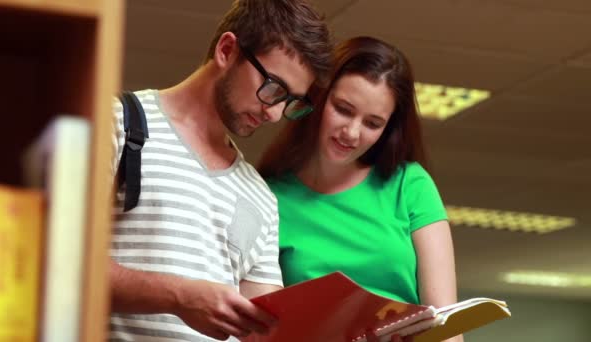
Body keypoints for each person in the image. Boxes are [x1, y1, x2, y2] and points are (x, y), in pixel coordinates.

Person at [109, 1, 332, 341]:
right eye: (273, 88)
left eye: (290, 102)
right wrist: (179, 297)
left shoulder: (261, 198)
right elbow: (62, 262)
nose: (275, 114)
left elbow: (265, 332)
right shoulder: (117, 124)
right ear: (227, 50)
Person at [258, 36, 463, 342]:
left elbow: (446, 329)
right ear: (319, 98)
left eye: (372, 123)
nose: (351, 133)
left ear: (388, 128)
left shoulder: (410, 185)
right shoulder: (269, 196)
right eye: (343, 109)